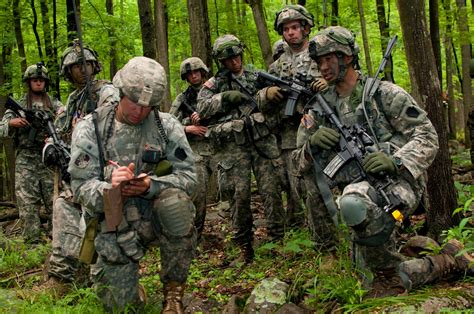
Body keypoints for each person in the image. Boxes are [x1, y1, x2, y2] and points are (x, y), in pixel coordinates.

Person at [291, 26, 465, 297]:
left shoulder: (383, 95)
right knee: (364, 275)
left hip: (395, 185)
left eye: (328, 59)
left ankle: (393, 278)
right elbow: (296, 165)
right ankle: (444, 261)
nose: (323, 67)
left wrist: (395, 160)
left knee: (354, 204)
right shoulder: (318, 108)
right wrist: (310, 147)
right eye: (319, 61)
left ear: (347, 57)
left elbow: (428, 136)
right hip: (351, 196)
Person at [69, 56, 197, 312]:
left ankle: (173, 292)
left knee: (176, 206)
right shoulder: (89, 129)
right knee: (121, 307)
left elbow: (190, 179)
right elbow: (80, 189)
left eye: (148, 107)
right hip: (112, 220)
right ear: (120, 92)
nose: (140, 112)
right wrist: (110, 187)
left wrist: (151, 186)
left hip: (152, 213)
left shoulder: (167, 126)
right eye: (135, 103)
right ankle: (127, 286)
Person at [197, 34, 285, 265]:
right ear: (221, 62)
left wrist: (267, 96)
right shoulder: (214, 84)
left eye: (236, 56)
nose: (234, 62)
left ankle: (279, 242)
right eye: (228, 59)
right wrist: (225, 98)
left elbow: (278, 98)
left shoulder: (257, 76)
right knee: (239, 196)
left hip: (261, 142)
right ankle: (244, 247)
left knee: (271, 191)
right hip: (233, 148)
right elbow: (202, 108)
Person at [43, 40, 119, 292]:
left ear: (95, 65)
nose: (82, 70)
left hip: (105, 167)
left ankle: (109, 279)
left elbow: (110, 126)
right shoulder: (73, 99)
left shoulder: (106, 91)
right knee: (65, 208)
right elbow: (62, 132)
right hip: (78, 168)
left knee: (101, 223)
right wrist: (51, 148)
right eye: (76, 66)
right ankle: (65, 276)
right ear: (68, 72)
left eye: (86, 64)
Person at [257, 4, 333, 248]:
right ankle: (316, 238)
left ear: (305, 28)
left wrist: (326, 82)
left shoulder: (321, 54)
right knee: (301, 187)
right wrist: (267, 93)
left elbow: (346, 79)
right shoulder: (278, 66)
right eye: (286, 29)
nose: (290, 33)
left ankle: (333, 237)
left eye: (295, 28)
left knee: (324, 185)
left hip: (326, 128)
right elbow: (258, 99)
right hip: (291, 136)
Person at [0, 62, 62, 243]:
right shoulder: (18, 104)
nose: (38, 83)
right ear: (28, 82)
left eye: (41, 80)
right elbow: (2, 127)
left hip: (49, 158)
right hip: (26, 159)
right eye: (35, 80)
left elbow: (66, 123)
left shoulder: (55, 104)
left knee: (55, 201)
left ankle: (57, 239)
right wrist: (12, 123)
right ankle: (32, 242)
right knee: (27, 203)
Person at [169, 57, 212, 239]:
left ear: (202, 72)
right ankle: (195, 237)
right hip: (198, 151)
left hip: (223, 146)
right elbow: (168, 124)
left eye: (196, 72)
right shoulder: (183, 98)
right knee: (198, 195)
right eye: (190, 74)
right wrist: (188, 127)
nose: (194, 76)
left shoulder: (214, 88)